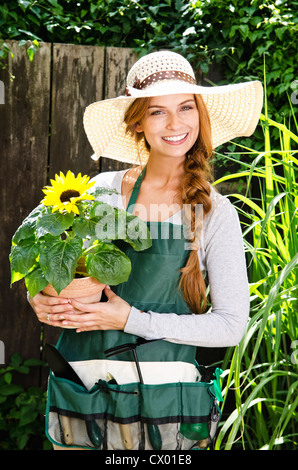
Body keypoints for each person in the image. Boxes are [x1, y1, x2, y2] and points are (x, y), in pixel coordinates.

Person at [28, 50, 263, 450]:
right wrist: (37, 295)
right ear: (137, 121)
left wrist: (130, 319)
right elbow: (36, 249)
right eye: (157, 112)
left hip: (165, 401)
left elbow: (230, 325)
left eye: (186, 107)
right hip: (85, 390)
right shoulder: (99, 192)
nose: (175, 124)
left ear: (199, 115)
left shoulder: (214, 212)